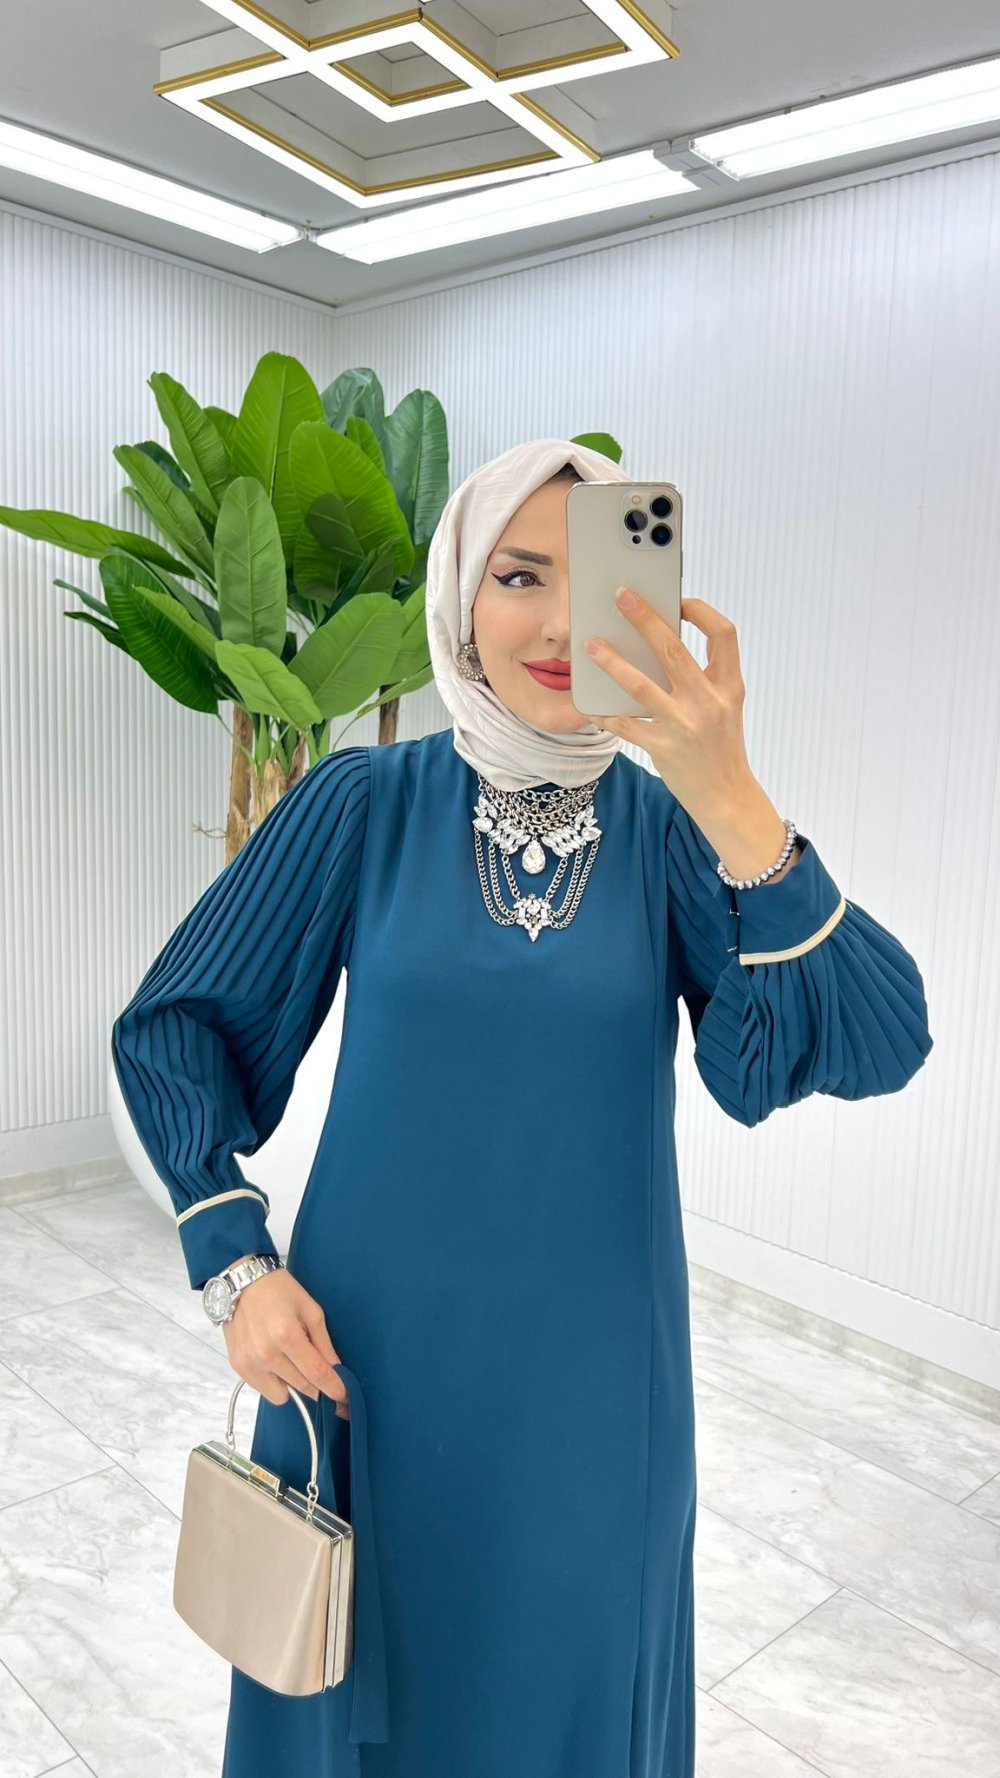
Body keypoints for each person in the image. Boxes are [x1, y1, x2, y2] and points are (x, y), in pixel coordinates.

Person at [110, 436, 934, 1778]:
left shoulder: (672, 835)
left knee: (572, 1696)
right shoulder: (364, 803)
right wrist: (234, 1263)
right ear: (459, 596)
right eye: (518, 575)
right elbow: (177, 1024)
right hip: (366, 1368)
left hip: (597, 1397)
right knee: (360, 1691)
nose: (556, 624)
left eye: (590, 579)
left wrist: (729, 795)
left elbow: (867, 1041)